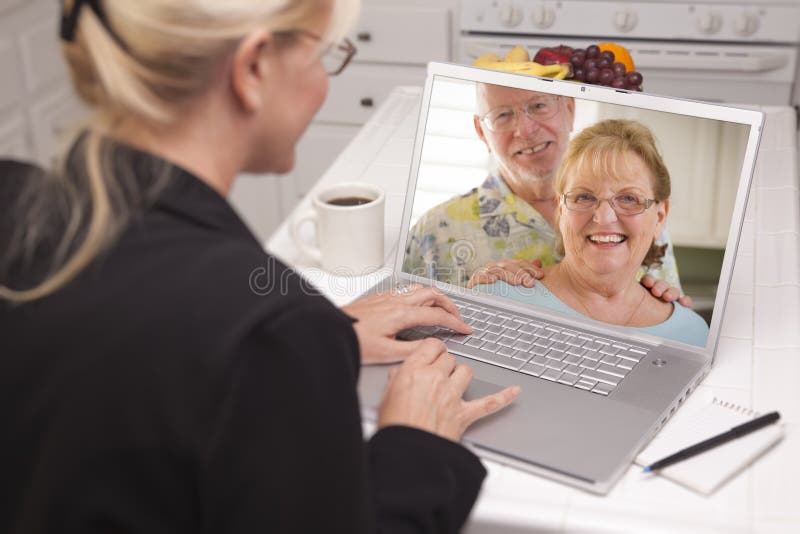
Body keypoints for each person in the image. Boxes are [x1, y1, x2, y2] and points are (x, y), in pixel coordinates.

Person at [0, 1, 520, 533]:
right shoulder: (269, 329)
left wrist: (319, 337)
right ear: (252, 68)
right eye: (323, 56)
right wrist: (418, 444)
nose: (323, 82)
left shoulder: (12, 201)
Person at [402, 83, 688, 306]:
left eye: (539, 105)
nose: (525, 130)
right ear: (481, 131)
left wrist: (669, 310)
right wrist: (477, 301)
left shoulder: (639, 213)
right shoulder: (433, 233)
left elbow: (663, 300)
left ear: (569, 109)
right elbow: (406, 337)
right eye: (502, 115)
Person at [477, 119, 709, 347]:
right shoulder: (495, 300)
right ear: (561, 209)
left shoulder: (693, 334)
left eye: (629, 198)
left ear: (659, 216)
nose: (604, 218)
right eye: (584, 197)